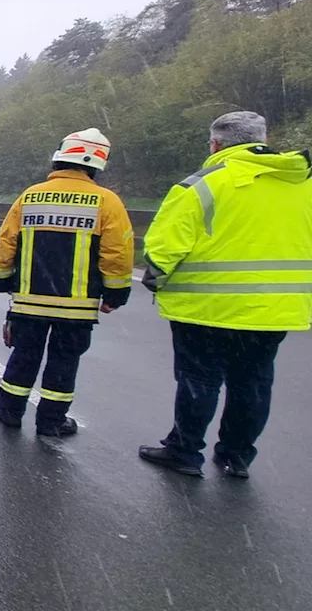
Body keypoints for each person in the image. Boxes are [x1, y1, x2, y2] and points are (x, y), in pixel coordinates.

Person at [138, 112, 312, 479]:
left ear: (216, 144)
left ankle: (185, 452)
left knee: (199, 380)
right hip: (274, 309)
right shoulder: (301, 184)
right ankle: (236, 457)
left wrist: (154, 279)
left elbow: (164, 247)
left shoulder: (203, 185)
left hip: (207, 308)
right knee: (253, 382)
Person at [0, 128, 133, 437]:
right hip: (77, 308)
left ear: (59, 160)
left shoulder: (30, 196)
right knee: (63, 362)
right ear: (95, 165)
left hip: (29, 302)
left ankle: (10, 412)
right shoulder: (107, 202)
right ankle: (51, 422)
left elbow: (6, 243)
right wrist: (115, 293)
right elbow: (117, 252)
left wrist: (2, 281)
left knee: (24, 357)